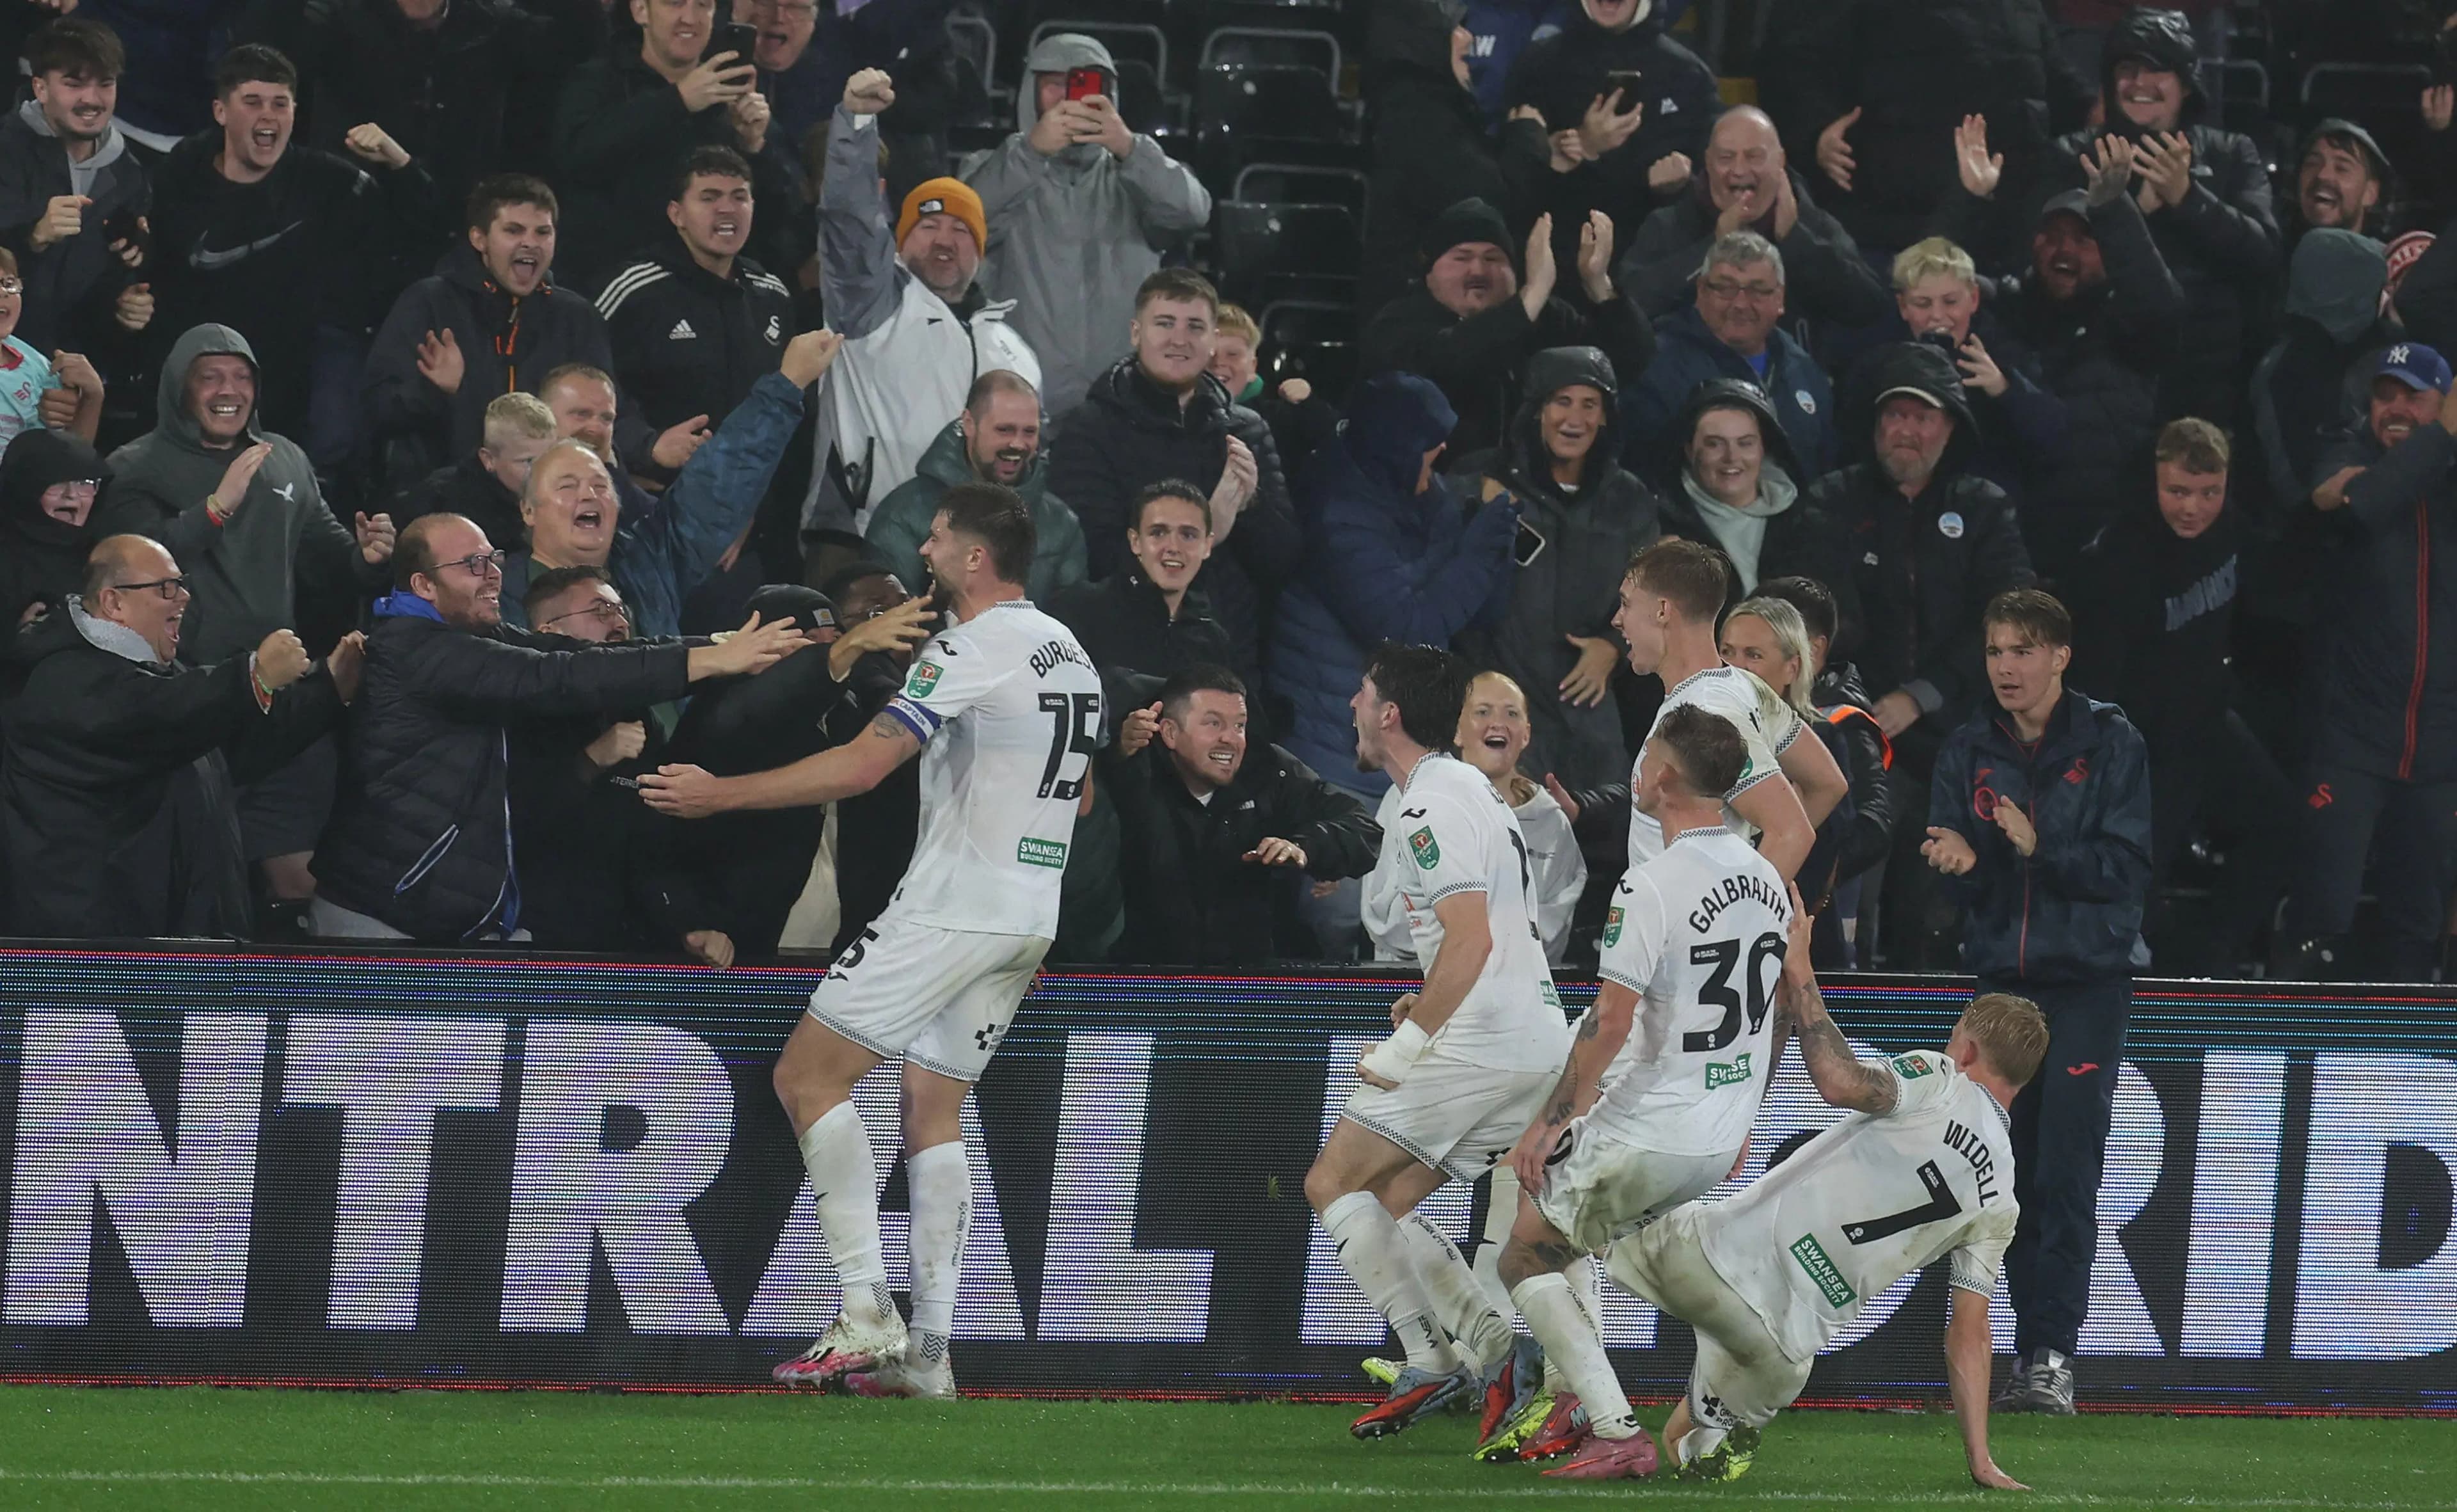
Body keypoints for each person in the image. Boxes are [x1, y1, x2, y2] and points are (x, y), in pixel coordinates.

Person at [637, 483, 1101, 1403]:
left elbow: (862, 766)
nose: (924, 551)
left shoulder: (968, 646)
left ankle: (864, 1310)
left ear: (975, 557)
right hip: (1027, 911)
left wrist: (717, 795)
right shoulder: (1072, 651)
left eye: (937, 537)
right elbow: (1079, 797)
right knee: (932, 1106)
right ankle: (929, 1354)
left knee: (807, 1077)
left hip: (952, 905)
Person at [1592, 949, 2043, 1488]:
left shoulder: (1943, 1078)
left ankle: (1589, 1408)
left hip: (1716, 1262)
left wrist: (1802, 966)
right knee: (1683, 1447)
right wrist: (1981, 1458)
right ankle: (1715, 1426)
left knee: (1561, 1218)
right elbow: (1970, 1333)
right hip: (1785, 1353)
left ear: (1966, 1051)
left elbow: (1839, 1081)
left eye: (1954, 1039)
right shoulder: (2003, 1199)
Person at [1486, 703, 1791, 1476]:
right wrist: (1747, 1110)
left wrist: (1548, 1124)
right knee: (1583, 1242)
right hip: (1718, 1132)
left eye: (1646, 755)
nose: (1639, 768)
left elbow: (1611, 1021)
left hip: (1656, 1125)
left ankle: (1614, 1425)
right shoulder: (1766, 876)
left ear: (1663, 777)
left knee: (1522, 1255)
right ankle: (1605, 1397)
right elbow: (1778, 1007)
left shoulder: (1651, 884)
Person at [1300, 641, 1571, 1439]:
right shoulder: (1465, 790)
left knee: (1330, 1181)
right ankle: (1494, 1350)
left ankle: (1435, 1356)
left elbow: (1472, 938)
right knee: (1387, 1200)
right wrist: (1427, 999)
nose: (1351, 705)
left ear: (1389, 713)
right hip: (1527, 1036)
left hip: (1481, 1042)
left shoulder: (1429, 804)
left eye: (1362, 693)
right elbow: (1493, 935)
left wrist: (1410, 1041)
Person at [310, 511, 806, 942]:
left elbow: (581, 654)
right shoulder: (413, 648)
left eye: (493, 558)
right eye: (472, 564)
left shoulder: (472, 632)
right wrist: (712, 661)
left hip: (436, 911)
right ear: (423, 586)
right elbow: (557, 676)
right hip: (381, 917)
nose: (492, 573)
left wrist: (719, 645)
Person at [1921, 588, 2150, 1415]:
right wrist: (1958, 862)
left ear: (2061, 656)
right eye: (1995, 650)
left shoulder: (2112, 741)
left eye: (2022, 649)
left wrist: (2038, 847)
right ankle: (1997, 1364)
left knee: (2064, 1174)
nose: (2006, 666)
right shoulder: (1968, 746)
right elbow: (1958, 874)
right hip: (1999, 988)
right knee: (1995, 1176)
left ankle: (2050, 1355)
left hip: (2086, 984)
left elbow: (2127, 869)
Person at [97, 322, 393, 923]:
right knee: (194, 881)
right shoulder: (134, 466)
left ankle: (288, 988)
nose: (228, 390)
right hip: (187, 703)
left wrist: (367, 558)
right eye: (210, 377)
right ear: (179, 388)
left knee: (297, 880)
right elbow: (127, 571)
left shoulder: (286, 458)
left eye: (241, 377)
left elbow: (328, 561)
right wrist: (216, 508)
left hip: (282, 699)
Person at [0, 532, 357, 939]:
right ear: (114, 602)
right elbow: (149, 715)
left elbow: (235, 746)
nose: (184, 597)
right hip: (96, 949)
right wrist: (252, 676)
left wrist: (327, 690)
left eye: (181, 584)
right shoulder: (61, 679)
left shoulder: (157, 675)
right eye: (166, 588)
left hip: (171, 937)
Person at [2071, 420, 2291, 976]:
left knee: (2285, 827)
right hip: (2141, 742)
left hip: (2208, 723)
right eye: (2178, 491)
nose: (2193, 508)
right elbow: (2097, 678)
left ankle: (2209, 960)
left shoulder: (2234, 530)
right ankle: (2151, 979)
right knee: (2133, 872)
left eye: (2208, 492)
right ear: (2155, 481)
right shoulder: (2117, 554)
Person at [145, 44, 439, 452]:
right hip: (201, 386)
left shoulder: (329, 183)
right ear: (220, 111)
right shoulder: (178, 181)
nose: (268, 115)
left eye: (280, 104)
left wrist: (400, 165)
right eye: (253, 102)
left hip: (296, 393)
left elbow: (429, 228)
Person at [2282, 346, 2457, 982]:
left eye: (2414, 396)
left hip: (2438, 752)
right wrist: (2442, 434)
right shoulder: (2343, 454)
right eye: (2386, 394)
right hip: (2351, 739)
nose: (2397, 408)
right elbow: (2365, 503)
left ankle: (2403, 1049)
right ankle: (2294, 1042)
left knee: (2418, 921)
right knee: (2323, 912)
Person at [806, 68, 1038, 530]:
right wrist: (856, 125)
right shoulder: (869, 304)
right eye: (928, 227)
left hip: (974, 546)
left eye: (961, 231)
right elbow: (850, 223)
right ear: (898, 242)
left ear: (981, 251)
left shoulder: (1014, 349)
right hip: (861, 536)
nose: (944, 241)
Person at [1048, 267, 1298, 691]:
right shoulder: (1088, 429)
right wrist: (1204, 532)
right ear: (1136, 332)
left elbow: (1283, 561)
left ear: (1212, 338)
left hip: (1231, 666)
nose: (1179, 339)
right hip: (1127, 668)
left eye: (1195, 327)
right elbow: (1095, 559)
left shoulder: (1248, 431)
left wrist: (1252, 503)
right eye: (1165, 323)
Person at [1271, 372, 1518, 801]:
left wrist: (1497, 546)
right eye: (1430, 440)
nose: (1443, 449)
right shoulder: (1337, 511)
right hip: (1336, 748)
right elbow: (1405, 631)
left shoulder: (1422, 491)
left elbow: (1479, 613)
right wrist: (1476, 554)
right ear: (1397, 447)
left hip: (1403, 745)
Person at [497, 330, 837, 640]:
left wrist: (787, 384)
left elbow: (718, 483)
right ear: (528, 510)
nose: (589, 494)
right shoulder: (496, 598)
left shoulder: (651, 561)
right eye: (567, 487)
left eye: (601, 486)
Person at [2042, 6, 2280, 426]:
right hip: (2100, 374)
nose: (2139, 83)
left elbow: (2264, 256)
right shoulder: (2075, 155)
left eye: (2157, 69)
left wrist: (2187, 198)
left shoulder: (2230, 153)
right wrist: (2136, 212)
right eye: (2127, 69)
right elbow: (2051, 267)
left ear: (2186, 83)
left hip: (2208, 382)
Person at [957, 34, 1209, 419]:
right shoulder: (994, 167)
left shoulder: (1138, 171)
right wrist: (1029, 153)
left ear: (1110, 96)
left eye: (1082, 84)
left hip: (1121, 401)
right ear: (1030, 93)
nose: (1068, 98)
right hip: (1022, 399)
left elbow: (1191, 212)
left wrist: (1129, 148)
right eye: (1054, 84)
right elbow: (964, 225)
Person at [1447, 345, 1660, 790]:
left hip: (1588, 710)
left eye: (1590, 404)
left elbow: (1652, 592)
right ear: (1536, 410)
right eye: (1562, 401)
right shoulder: (1480, 481)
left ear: (1606, 416)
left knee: (1606, 820)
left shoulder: (1629, 500)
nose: (1575, 419)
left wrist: (1613, 647)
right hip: (1500, 706)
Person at [1759, 0, 2090, 257]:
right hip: (1897, 224)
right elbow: (1797, 60)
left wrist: (2095, 111)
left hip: (2010, 219)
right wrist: (1815, 135)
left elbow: (2052, 77)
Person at [1102, 665, 1381, 965]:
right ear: (1170, 732)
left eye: (1239, 726)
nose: (1231, 739)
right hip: (1138, 979)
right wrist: (1117, 760)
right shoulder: (1130, 772)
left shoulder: (1267, 770)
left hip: (1246, 980)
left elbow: (1362, 826)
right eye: (1213, 724)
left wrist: (1306, 847)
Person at [1990, 161, 2185, 577]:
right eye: (2053, 237)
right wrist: (1972, 200)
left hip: (2107, 539)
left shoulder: (2128, 323)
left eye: (2083, 239)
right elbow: (1935, 286)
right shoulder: (2006, 309)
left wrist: (2116, 210)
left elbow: (2162, 311)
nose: (2064, 250)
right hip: (2017, 539)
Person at [363, 175, 614, 493]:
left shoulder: (577, 317)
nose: (531, 243)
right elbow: (376, 411)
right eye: (514, 230)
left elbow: (605, 412)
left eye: (543, 232)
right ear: (479, 238)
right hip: (445, 496)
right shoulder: (429, 303)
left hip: (548, 497)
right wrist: (432, 391)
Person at [266, 0, 607, 232]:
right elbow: (270, 57)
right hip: (354, 223)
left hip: (459, 227)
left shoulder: (492, 25)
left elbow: (576, 46)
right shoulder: (337, 18)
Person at [1361, 197, 1650, 458]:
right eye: (1462, 257)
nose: (1478, 270)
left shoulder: (1547, 318)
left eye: (1493, 258)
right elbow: (1447, 360)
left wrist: (1598, 284)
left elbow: (1628, 362)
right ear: (1429, 273)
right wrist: (1529, 298)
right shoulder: (1397, 323)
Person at [551, 0, 801, 291]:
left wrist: (754, 146)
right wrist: (678, 101)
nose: (690, 18)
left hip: (713, 290)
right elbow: (575, 158)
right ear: (641, 10)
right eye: (674, 3)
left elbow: (781, 217)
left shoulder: (731, 96)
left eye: (703, 5)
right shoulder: (596, 81)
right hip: (614, 285)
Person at [594, 145, 796, 484]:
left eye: (739, 198)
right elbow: (585, 380)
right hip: (660, 492)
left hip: (758, 498)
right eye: (709, 198)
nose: (727, 209)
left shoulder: (772, 295)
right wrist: (646, 446)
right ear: (677, 215)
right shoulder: (633, 291)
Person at [1369, 669, 1590, 973]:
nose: (1498, 723)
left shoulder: (1551, 823)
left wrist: (1474, 940)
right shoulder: (1408, 799)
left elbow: (1552, 932)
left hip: (1512, 989)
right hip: (1414, 981)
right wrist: (1467, 942)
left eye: (1511, 713)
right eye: (1483, 712)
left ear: (1526, 734)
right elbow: (1384, 918)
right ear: (1457, 731)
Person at [1850, 238, 2065, 521]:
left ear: (1973, 299)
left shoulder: (2008, 356)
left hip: (1984, 518)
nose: (1937, 316)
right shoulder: (1877, 365)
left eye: (1951, 302)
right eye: (1922, 303)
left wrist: (2005, 389)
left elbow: (2056, 440)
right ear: (1903, 306)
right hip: (1895, 514)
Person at [1616, 106, 1888, 329]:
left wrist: (1795, 240)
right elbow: (1629, 308)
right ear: (1708, 163)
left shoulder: (1814, 223)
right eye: (1726, 158)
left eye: (1754, 157)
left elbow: (1869, 307)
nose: (1739, 170)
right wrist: (1713, 248)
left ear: (1780, 161)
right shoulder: (1670, 224)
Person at [1359, 0, 1547, 314]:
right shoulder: (1421, 118)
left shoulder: (1419, 106)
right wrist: (1529, 137)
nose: (1467, 38)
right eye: (1454, 29)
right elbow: (1493, 206)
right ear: (1422, 42)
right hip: (1420, 325)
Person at [1719, 594, 1889, 934]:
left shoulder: (1822, 742)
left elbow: (1827, 850)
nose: (1735, 667)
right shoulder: (1700, 732)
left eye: (1753, 655)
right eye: (1727, 651)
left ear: (1791, 668)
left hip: (1795, 927)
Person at [1497, 0, 1719, 249]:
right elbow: (1512, 187)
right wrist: (1579, 146)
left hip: (1654, 256)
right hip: (1558, 251)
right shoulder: (1537, 66)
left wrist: (1680, 186)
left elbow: (1712, 184)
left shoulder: (1689, 74)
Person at [1625, 232, 1834, 483]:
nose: (1740, 304)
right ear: (1701, 291)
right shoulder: (1656, 367)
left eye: (1757, 290)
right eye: (1725, 288)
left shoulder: (1805, 370)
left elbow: (1824, 470)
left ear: (1779, 298)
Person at [866, 369, 1085, 602]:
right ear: (969, 424)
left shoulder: (1062, 524)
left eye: (1029, 432)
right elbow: (894, 616)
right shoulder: (902, 515)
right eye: (1005, 430)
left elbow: (1074, 615)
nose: (1018, 444)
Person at [0, 18, 151, 356]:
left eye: (105, 84)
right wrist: (33, 238)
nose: (92, 100)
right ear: (40, 89)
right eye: (74, 84)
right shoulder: (5, 152)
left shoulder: (129, 175)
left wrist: (125, 308)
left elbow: (111, 286)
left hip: (75, 368)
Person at [1048, 479, 1235, 701]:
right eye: (1158, 533)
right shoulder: (1079, 611)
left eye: (1188, 535)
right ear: (1135, 541)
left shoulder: (1213, 640)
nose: (1173, 548)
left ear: (1207, 546)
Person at [1653, 378, 1822, 600]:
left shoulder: (1805, 520)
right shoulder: (1657, 523)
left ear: (1763, 449)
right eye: (1714, 444)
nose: (1732, 457)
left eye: (1745, 443)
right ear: (1689, 451)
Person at [393, 390, 556, 552]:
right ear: (489, 459)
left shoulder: (563, 496)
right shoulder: (440, 503)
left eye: (550, 458)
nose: (543, 471)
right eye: (528, 461)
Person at [1211, 303, 1339, 477]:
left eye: (1232, 354)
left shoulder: (1278, 419)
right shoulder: (1176, 418)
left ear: (1252, 367)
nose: (1218, 363)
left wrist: (1310, 405)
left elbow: (1338, 444)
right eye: (1210, 354)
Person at [0, 428, 105, 628]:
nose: (71, 494)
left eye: (84, 482)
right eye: (57, 482)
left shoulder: (105, 557)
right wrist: (15, 636)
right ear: (24, 488)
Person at [0, 246, 100, 452]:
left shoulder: (38, 367)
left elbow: (71, 463)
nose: (3, 293)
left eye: (9, 284)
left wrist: (92, 399)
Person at [2291, 118, 2392, 245]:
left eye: (2341, 168)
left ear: (2370, 193)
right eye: (2312, 164)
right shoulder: (2271, 253)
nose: (2322, 175)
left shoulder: (2384, 258)